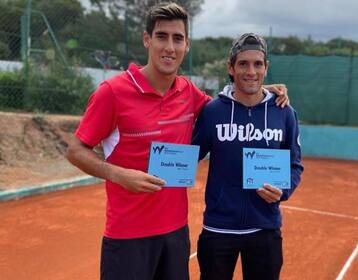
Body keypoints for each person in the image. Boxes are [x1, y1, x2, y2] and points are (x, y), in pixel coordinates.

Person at [66, 2, 289, 280]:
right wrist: (118, 174)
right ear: (147, 39)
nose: (169, 47)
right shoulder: (112, 92)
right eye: (161, 36)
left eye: (177, 38)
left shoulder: (188, 92)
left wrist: (256, 88)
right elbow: (75, 150)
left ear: (187, 45)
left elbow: (226, 107)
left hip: (175, 234)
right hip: (127, 236)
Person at [192, 33, 304, 280]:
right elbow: (190, 155)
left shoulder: (284, 112)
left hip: (265, 228)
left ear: (266, 68)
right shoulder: (213, 111)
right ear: (230, 68)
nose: (251, 71)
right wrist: (152, 160)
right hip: (218, 228)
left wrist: (283, 191)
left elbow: (295, 165)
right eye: (243, 63)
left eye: (257, 64)